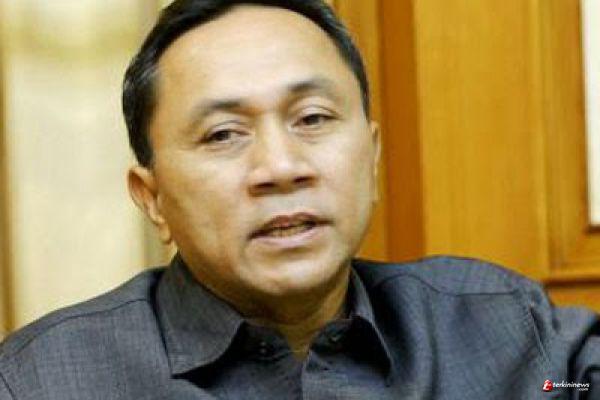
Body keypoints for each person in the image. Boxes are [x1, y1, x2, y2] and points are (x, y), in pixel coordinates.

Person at [0, 0, 598, 398]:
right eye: (223, 134)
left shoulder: (509, 332)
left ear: (372, 157)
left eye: (312, 118)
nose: (281, 168)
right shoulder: (41, 382)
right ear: (152, 199)